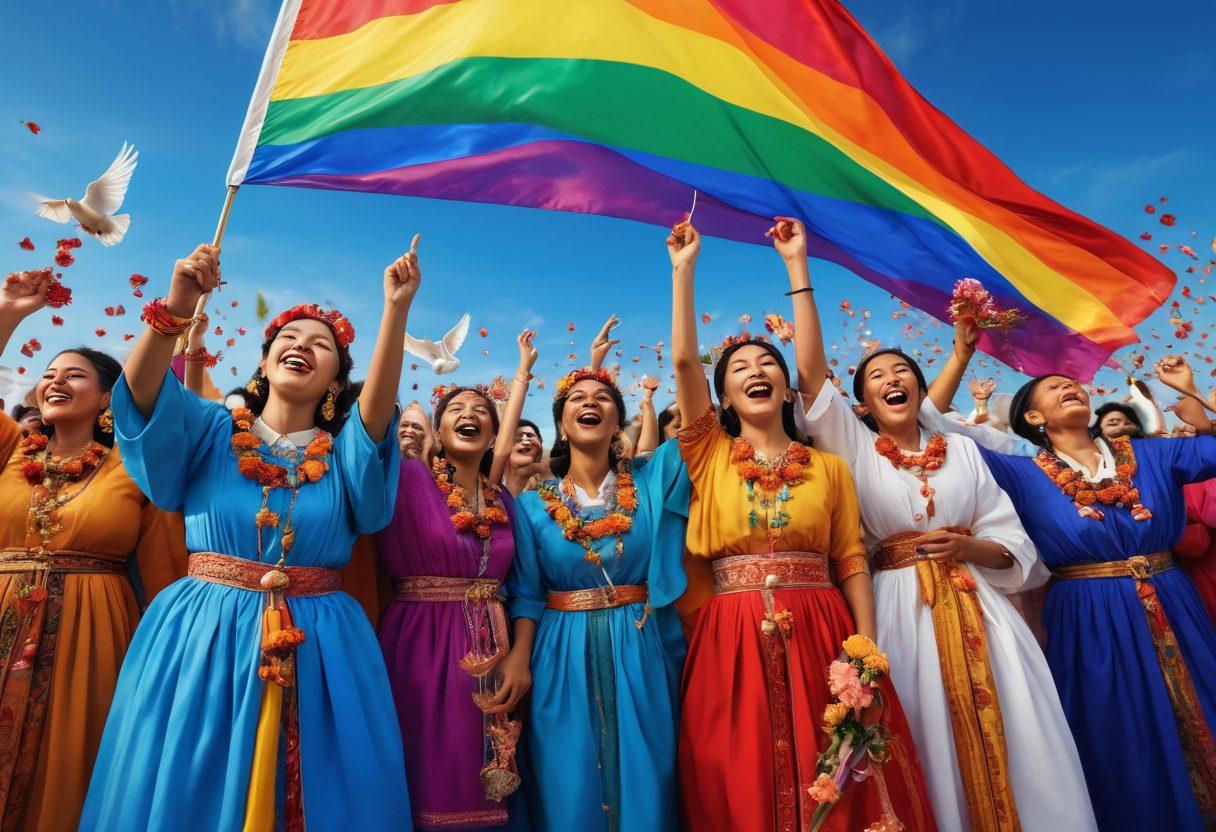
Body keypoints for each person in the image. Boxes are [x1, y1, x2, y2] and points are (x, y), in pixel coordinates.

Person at [80, 239, 419, 831]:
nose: (301, 347)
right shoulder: (210, 427)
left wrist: (395, 310)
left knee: (321, 789)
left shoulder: (344, 456)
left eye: (322, 345)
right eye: (288, 339)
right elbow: (139, 400)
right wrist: (177, 305)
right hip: (203, 631)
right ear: (264, 364)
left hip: (321, 639)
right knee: (190, 780)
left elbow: (374, 419)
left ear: (338, 381)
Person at [773, 215, 1095, 831]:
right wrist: (798, 268)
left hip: (980, 606)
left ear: (919, 392)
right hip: (897, 608)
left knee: (1019, 723)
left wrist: (973, 544)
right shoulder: (852, 446)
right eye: (876, 378)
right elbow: (812, 377)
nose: (891, 380)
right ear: (861, 403)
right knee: (919, 731)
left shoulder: (968, 452)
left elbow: (1012, 544)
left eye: (902, 374)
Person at [668, 220, 935, 832]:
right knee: (733, 764)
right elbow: (684, 359)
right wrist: (683, 270)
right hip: (729, 632)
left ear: (788, 388)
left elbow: (850, 560)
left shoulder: (830, 467)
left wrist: (866, 647)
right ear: (724, 398)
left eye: (768, 362)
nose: (756, 369)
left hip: (821, 624)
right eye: (739, 367)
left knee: (838, 762)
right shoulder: (706, 450)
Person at [922, 357, 1216, 832]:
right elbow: (932, 420)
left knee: (1205, 700)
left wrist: (1193, 390)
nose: (1070, 387)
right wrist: (961, 350)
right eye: (1055, 387)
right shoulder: (1018, 473)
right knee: (1116, 729)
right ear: (1033, 418)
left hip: (1172, 597)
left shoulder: (1153, 455)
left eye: (1073, 383)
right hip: (1088, 613)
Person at [0, 270, 187, 831]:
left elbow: (165, 568)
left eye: (74, 375)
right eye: (48, 375)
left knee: (71, 762)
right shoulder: (10, 448)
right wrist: (8, 315)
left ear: (108, 397)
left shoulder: (134, 470)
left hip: (93, 631)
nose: (54, 382)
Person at [505, 365, 689, 831]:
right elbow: (527, 593)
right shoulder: (531, 504)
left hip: (643, 643)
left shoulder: (652, 478)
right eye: (576, 399)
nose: (590, 402)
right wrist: (520, 660)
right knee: (565, 776)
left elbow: (699, 421)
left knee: (651, 771)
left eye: (603, 397)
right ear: (562, 425)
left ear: (617, 421)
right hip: (559, 650)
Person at [375, 330, 537, 830]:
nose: (469, 414)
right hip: (420, 644)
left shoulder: (504, 501)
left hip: (495, 645)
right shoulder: (403, 480)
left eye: (482, 411)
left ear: (493, 435)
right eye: (455, 409)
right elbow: (372, 420)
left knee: (490, 772)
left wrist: (519, 659)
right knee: (424, 770)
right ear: (437, 432)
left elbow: (527, 589)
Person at [504, 418, 548, 497]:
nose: (525, 440)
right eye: (517, 437)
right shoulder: (494, 487)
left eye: (530, 435)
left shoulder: (555, 483)